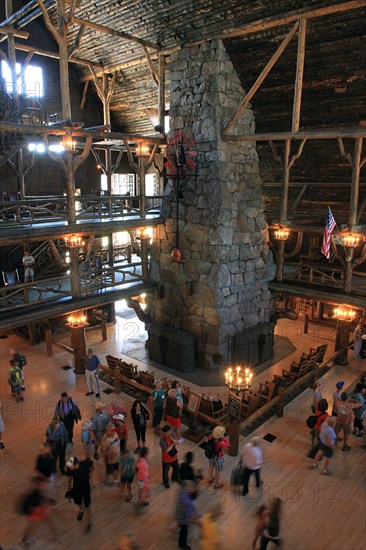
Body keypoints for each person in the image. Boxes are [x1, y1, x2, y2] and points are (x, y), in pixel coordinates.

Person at [19, 476, 58, 547]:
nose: (43, 485)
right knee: (31, 526)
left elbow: (40, 499)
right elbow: (33, 505)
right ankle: (24, 540)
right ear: (37, 484)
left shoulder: (37, 491)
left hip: (36, 510)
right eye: (42, 484)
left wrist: (45, 502)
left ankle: (24, 540)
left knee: (31, 525)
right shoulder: (34, 494)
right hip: (35, 511)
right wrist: (40, 510)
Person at [65, 456, 94, 534]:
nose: (69, 467)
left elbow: (92, 464)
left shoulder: (84, 464)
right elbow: (69, 477)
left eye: (70, 465)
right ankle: (81, 510)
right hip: (76, 487)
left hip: (86, 488)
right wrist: (69, 489)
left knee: (87, 505)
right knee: (78, 502)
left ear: (76, 464)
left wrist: (92, 477)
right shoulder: (70, 468)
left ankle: (88, 523)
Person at [175, 480, 198, 550]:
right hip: (183, 518)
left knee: (182, 526)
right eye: (192, 489)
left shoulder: (182, 491)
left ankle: (177, 527)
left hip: (179, 513)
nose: (193, 490)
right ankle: (182, 544)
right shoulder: (187, 501)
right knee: (184, 531)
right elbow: (189, 512)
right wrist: (194, 519)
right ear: (187, 489)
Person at [207, 426, 230, 490]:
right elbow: (228, 445)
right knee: (217, 471)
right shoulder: (220, 442)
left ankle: (210, 479)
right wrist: (223, 437)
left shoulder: (210, 436)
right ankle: (217, 485)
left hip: (211, 456)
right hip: (218, 457)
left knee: (211, 466)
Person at [160, 425, 180, 489]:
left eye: (170, 432)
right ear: (164, 433)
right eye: (167, 433)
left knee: (176, 469)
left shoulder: (172, 435)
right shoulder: (162, 441)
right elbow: (167, 450)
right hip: (166, 460)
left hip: (174, 457)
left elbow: (178, 443)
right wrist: (173, 442)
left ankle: (174, 478)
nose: (169, 434)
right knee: (165, 472)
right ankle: (165, 482)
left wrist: (174, 440)